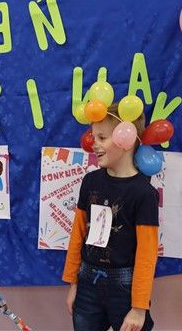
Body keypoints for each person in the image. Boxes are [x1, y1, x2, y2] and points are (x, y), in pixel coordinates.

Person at [62, 103, 159, 331]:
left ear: (127, 140)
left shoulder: (143, 193)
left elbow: (147, 254)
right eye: (94, 136)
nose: (93, 143)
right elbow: (78, 234)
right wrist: (73, 283)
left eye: (102, 138)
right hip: (87, 282)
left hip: (124, 289)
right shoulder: (90, 181)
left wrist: (139, 307)